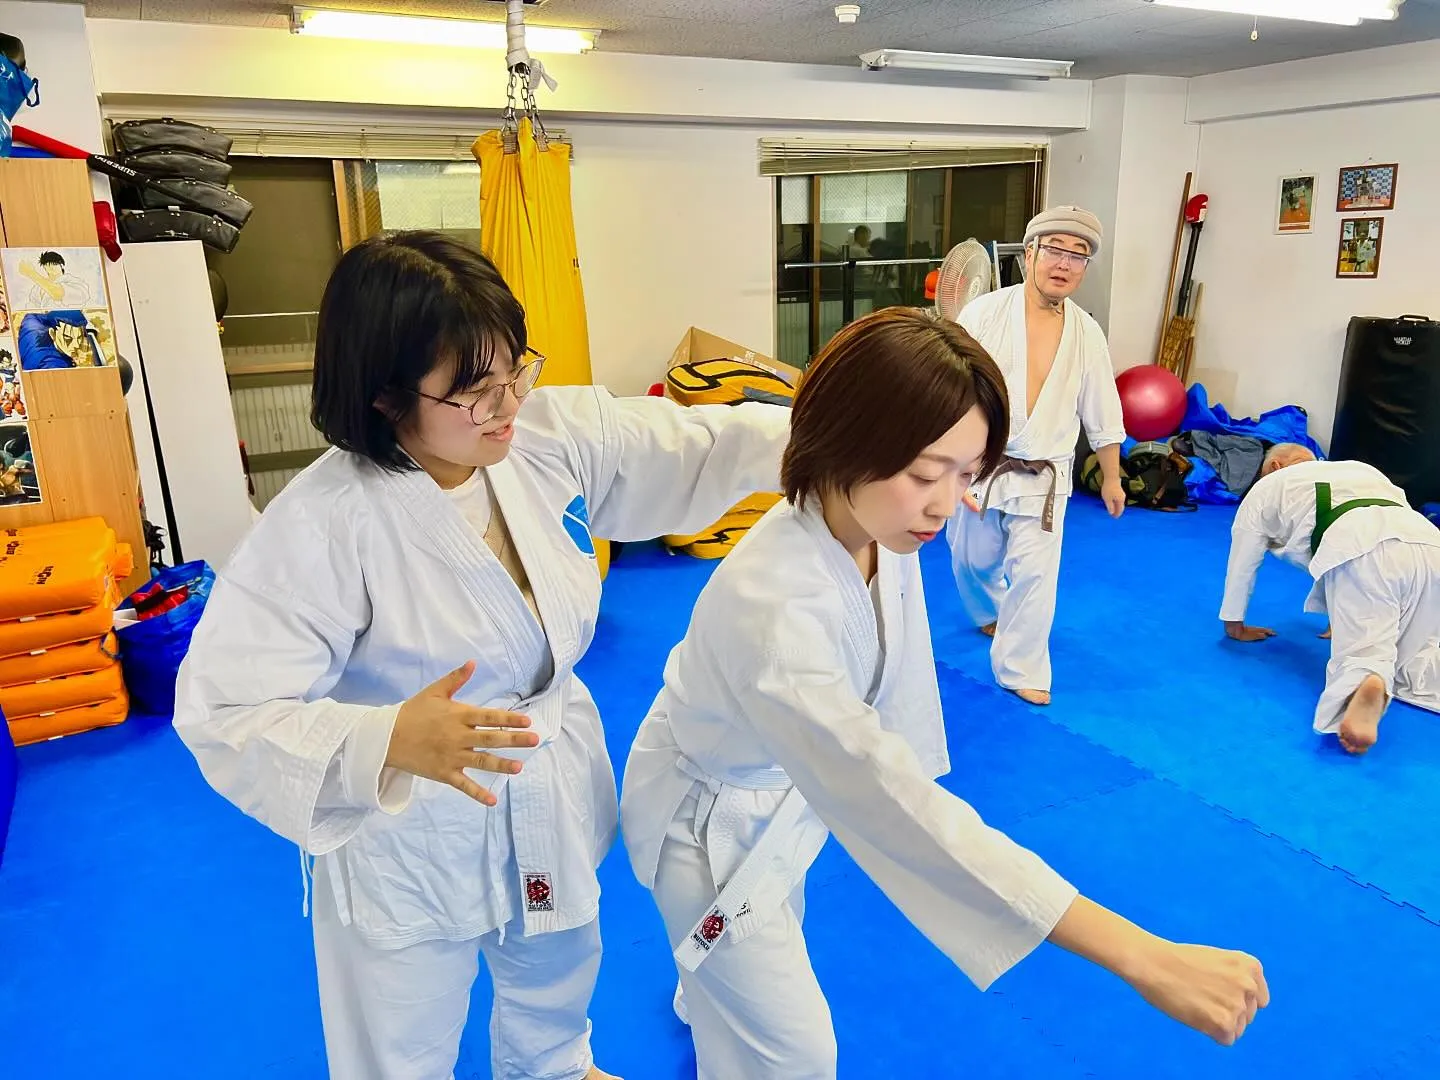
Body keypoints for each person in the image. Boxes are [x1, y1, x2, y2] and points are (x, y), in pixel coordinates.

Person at [172, 231, 793, 1080]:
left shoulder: (540, 436)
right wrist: (384, 740)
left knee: (558, 963)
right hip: (411, 818)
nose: (507, 404)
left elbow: (693, 442)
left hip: (543, 772)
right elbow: (225, 708)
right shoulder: (324, 523)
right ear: (386, 396)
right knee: (401, 1029)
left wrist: (835, 434)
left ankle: (554, 1068)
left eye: (513, 371)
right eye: (474, 391)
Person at [621, 307, 1267, 1080]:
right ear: (843, 444)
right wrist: (1141, 955)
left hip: (782, 783)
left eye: (966, 474)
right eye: (927, 474)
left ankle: (714, 980)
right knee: (796, 1056)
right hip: (706, 822)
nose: (944, 504)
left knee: (757, 944)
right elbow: (890, 802)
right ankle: (720, 983)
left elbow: (887, 724)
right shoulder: (779, 609)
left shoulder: (870, 520)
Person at [944, 207, 1127, 705]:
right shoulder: (985, 313)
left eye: (1078, 255)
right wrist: (948, 465)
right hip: (983, 465)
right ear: (1029, 254)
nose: (1064, 263)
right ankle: (988, 611)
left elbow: (1102, 408)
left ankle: (1022, 666)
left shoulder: (1087, 332)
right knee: (970, 559)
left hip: (1047, 475)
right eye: (1055, 250)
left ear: (1086, 267)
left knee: (1036, 574)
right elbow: (952, 388)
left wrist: (1112, 477)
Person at [1219, 445, 1440, 753]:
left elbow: (1243, 562)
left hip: (1360, 546)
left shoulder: (1268, 486)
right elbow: (1390, 518)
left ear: (1274, 466)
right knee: (1419, 649)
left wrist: (1234, 625)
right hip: (1428, 540)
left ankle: (1368, 681)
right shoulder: (1360, 469)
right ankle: (1390, 673)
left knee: (1365, 650)